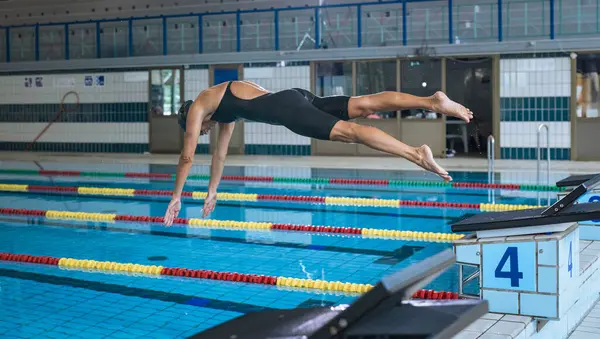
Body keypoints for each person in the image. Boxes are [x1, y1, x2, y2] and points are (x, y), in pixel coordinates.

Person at [163, 80, 473, 225]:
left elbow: (187, 156)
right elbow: (219, 157)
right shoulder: (222, 107)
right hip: (295, 96)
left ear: (191, 117)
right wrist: (212, 192)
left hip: (287, 109)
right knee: (363, 105)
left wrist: (176, 196)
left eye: (199, 129)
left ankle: (417, 153)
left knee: (349, 133)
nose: (202, 132)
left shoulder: (201, 104)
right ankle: (431, 101)